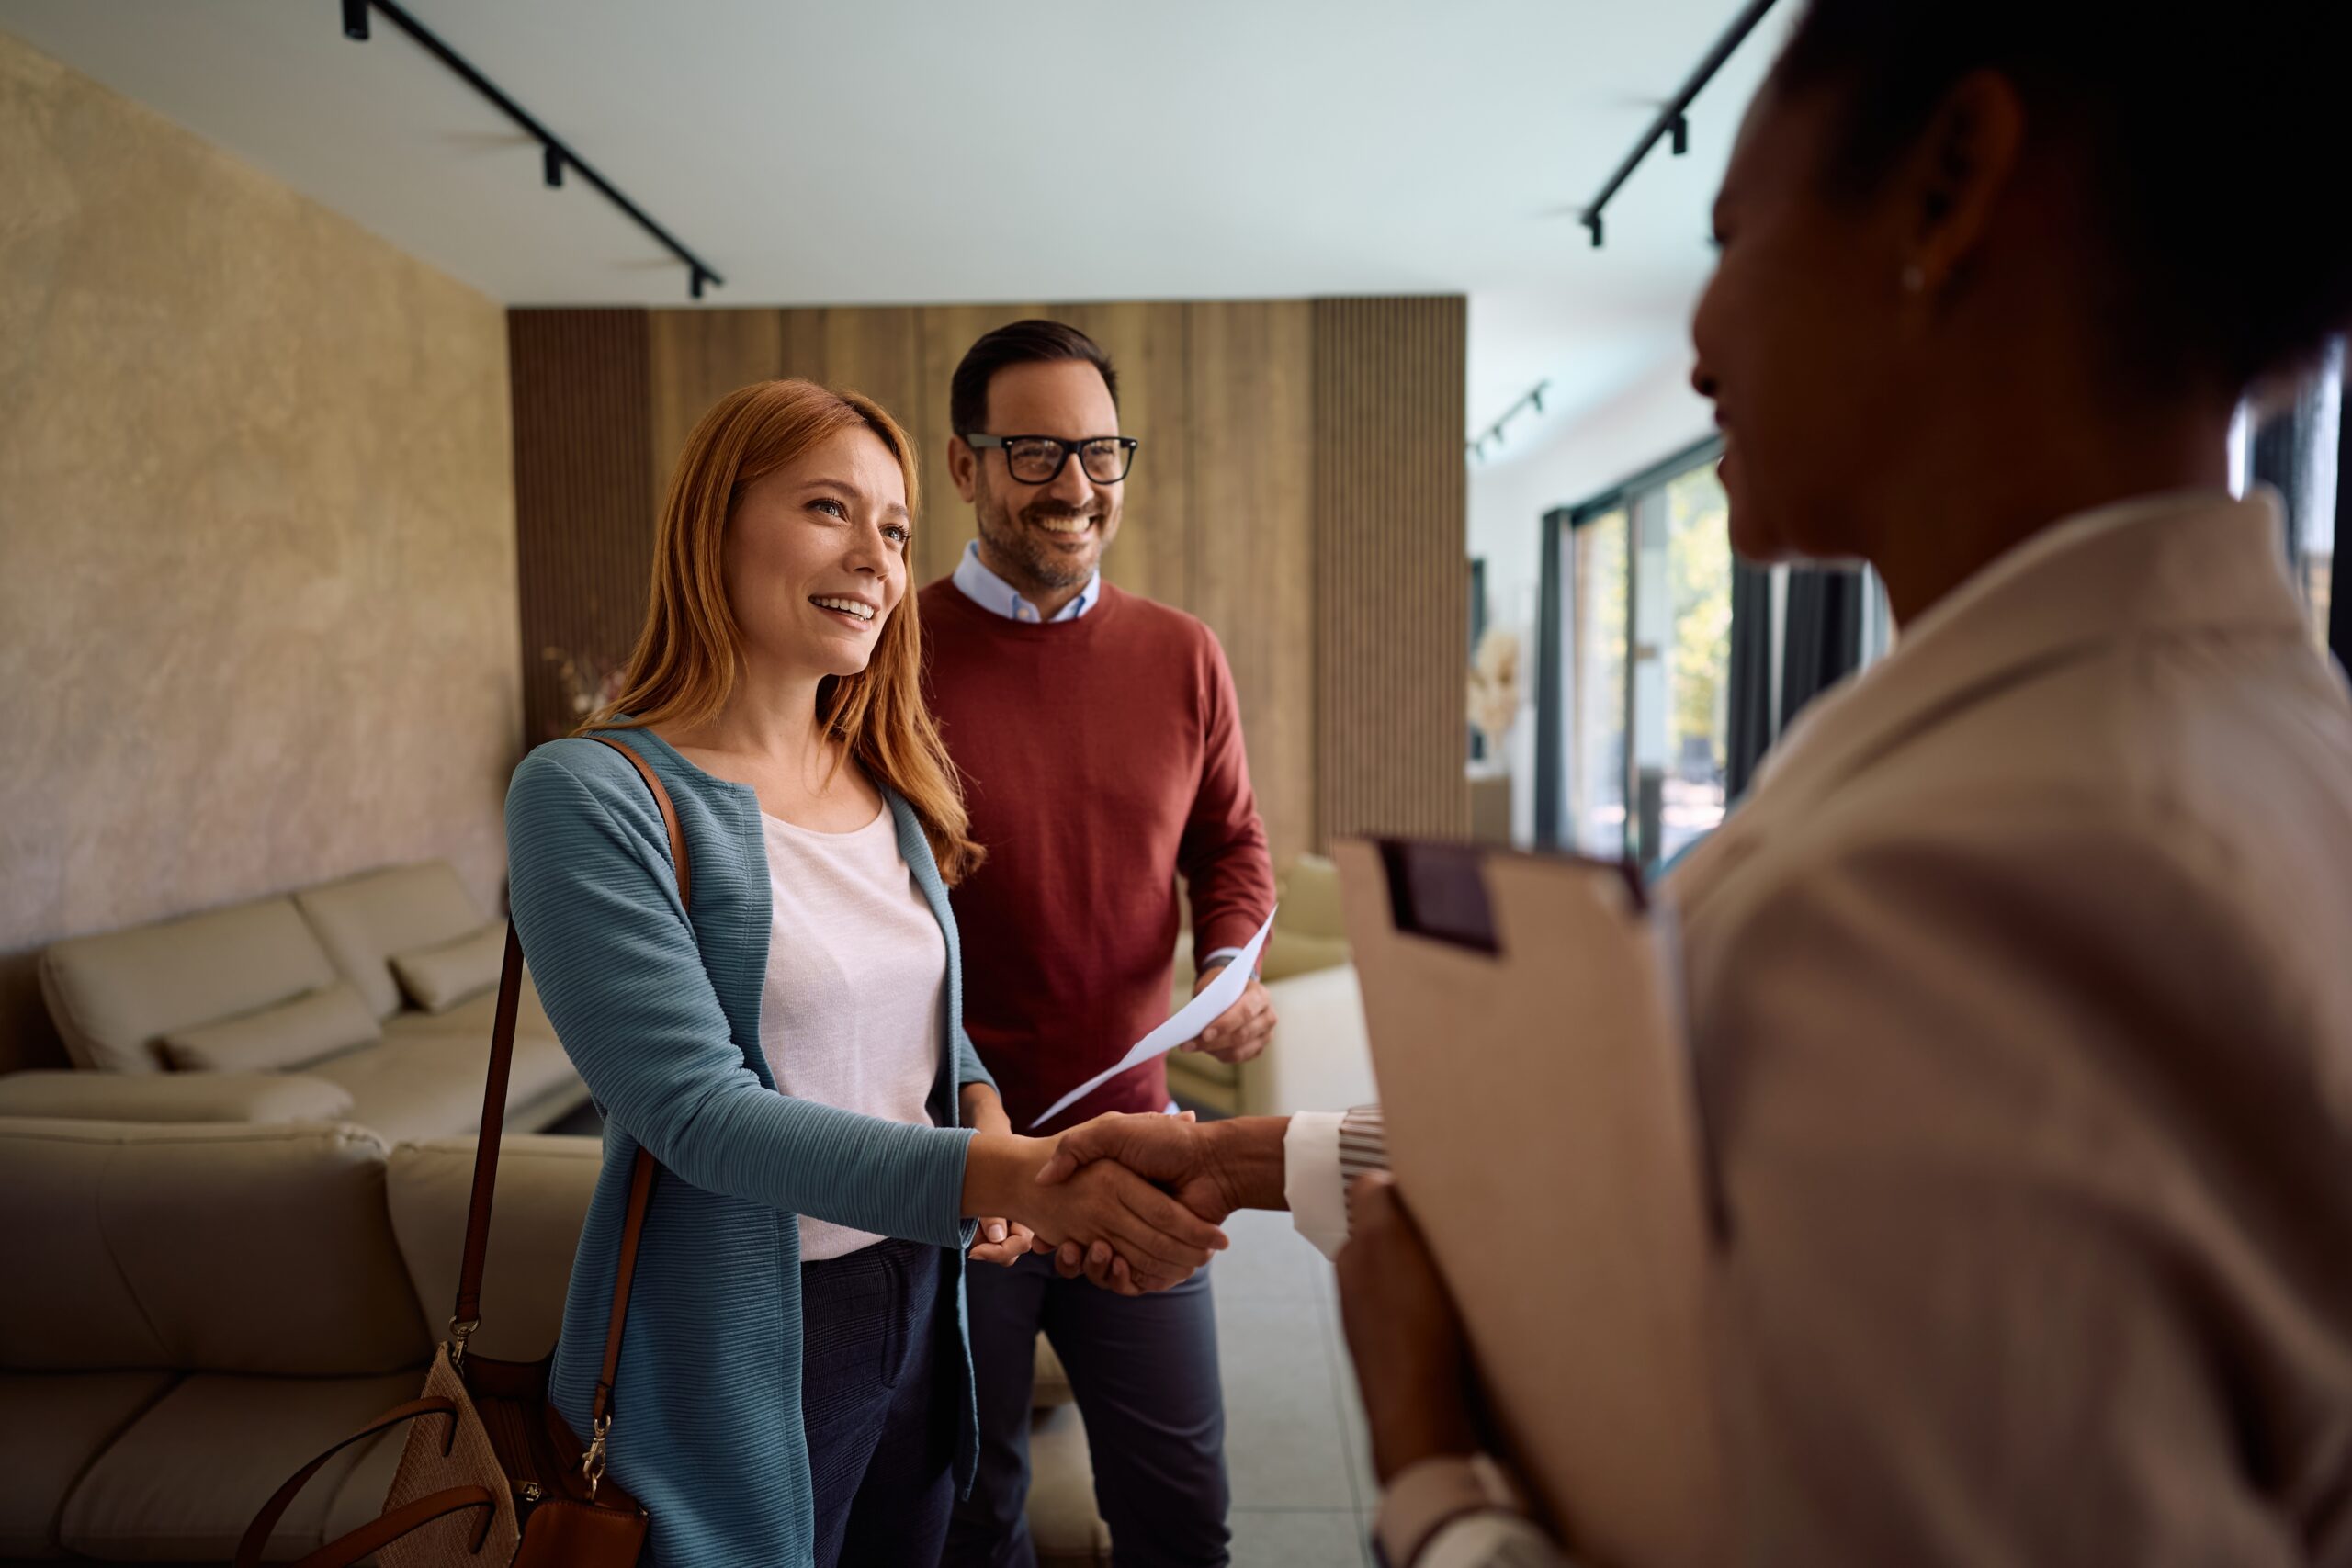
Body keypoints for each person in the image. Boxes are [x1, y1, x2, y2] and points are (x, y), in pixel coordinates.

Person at [1040, 0, 2352, 1561]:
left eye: (1734, 237)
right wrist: (1251, 1157)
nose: (1703, 337)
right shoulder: (2242, 742)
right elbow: (1698, 1145)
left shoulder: (1956, 883)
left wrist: (1431, 1473)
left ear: (1953, 182)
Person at [503, 378, 1228, 1568]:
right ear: (715, 525)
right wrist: (1021, 1175)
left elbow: (933, 1031)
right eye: (829, 509)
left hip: (929, 1296)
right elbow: (699, 1116)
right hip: (759, 1328)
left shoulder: (880, 784)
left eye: (894, 529)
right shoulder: (591, 795)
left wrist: (983, 1103)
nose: (876, 560)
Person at [922, 321, 1281, 1568]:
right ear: (965, 469)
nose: (1074, 484)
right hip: (951, 1170)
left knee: (1182, 1515)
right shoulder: (883, 660)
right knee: (972, 1514)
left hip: (1139, 1146)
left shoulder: (1184, 654)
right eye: (1033, 451)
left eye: (1098, 450)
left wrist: (1229, 966)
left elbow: (1232, 848)